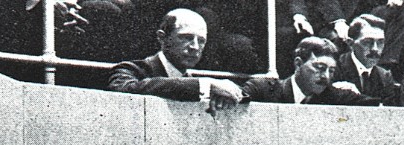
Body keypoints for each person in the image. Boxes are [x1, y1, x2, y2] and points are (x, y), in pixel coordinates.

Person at [108, 9, 243, 111]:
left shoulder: (192, 80)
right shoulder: (130, 70)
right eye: (186, 38)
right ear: (162, 38)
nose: (195, 47)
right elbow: (122, 90)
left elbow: (246, 93)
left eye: (201, 41)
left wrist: (229, 91)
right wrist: (206, 86)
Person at [243, 37, 375, 105]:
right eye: (320, 68)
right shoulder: (263, 89)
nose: (326, 76)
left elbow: (377, 104)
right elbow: (238, 96)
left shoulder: (332, 94)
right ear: (298, 64)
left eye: (332, 70)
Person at [333, 14, 400, 106]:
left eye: (380, 42)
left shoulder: (385, 76)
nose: (375, 49)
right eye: (368, 42)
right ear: (350, 43)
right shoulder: (335, 69)